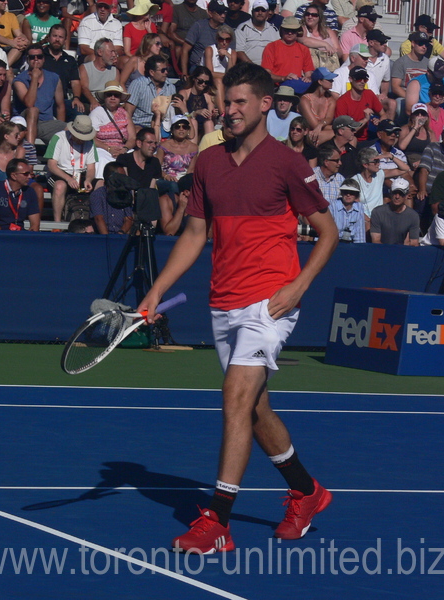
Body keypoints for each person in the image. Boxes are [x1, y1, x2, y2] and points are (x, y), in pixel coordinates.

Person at [137, 62, 337, 555]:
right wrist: (157, 289)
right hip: (223, 301)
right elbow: (195, 233)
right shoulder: (208, 163)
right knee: (252, 409)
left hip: (271, 300)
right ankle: (307, 492)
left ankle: (217, 521)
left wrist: (298, 287)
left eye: (241, 102)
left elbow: (328, 232)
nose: (230, 110)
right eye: (227, 102)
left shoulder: (288, 163)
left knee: (234, 396)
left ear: (266, 105)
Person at [44, 114, 96, 221]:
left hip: (81, 173)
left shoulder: (90, 143)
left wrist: (88, 179)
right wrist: (68, 179)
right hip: (60, 172)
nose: (82, 140)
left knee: (100, 184)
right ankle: (57, 224)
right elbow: (51, 165)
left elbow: (91, 168)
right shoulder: (58, 138)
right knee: (60, 185)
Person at [12, 45, 66, 144]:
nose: (36, 59)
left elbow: (60, 106)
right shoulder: (19, 80)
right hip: (24, 122)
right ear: (27, 59)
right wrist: (34, 78)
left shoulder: (54, 78)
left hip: (46, 123)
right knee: (33, 110)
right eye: (32, 57)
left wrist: (60, 126)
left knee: (73, 129)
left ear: (44, 58)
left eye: (39, 56)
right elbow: (29, 103)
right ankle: (30, 151)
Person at [89, 80, 135, 174]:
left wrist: (125, 149)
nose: (112, 98)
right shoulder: (96, 113)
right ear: (105, 97)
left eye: (116, 95)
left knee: (135, 158)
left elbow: (132, 137)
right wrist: (108, 148)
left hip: (123, 148)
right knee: (101, 158)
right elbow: (91, 138)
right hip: (103, 148)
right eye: (109, 95)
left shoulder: (125, 113)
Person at [0, 157, 41, 230]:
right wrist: (3, 238)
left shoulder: (30, 192)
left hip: (19, 235)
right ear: (14, 176)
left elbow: (35, 224)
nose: (29, 177)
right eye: (26, 174)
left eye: (30, 173)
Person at [41, 24, 84, 120]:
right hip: (42, 99)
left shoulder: (70, 60)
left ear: (65, 40)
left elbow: (75, 82)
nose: (57, 39)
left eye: (60, 37)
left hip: (62, 100)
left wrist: (76, 98)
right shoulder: (40, 56)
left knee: (79, 112)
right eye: (54, 36)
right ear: (49, 37)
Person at [260, 16, 313, 92]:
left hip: (296, 88)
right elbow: (266, 74)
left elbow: (308, 72)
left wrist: (308, 78)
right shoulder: (271, 47)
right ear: (282, 30)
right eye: (287, 30)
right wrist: (284, 78)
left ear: (298, 31)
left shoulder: (304, 49)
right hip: (276, 88)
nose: (290, 33)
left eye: (293, 30)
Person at [397, 14, 444, 81]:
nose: (431, 33)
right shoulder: (406, 45)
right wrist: (428, 51)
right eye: (430, 30)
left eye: (432, 30)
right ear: (421, 28)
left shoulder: (432, 41)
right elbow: (411, 67)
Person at [125, 54, 175, 131]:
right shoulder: (138, 84)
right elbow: (128, 112)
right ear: (152, 72)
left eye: (167, 69)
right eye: (162, 70)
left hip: (163, 126)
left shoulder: (170, 87)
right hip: (141, 125)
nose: (166, 72)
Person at [333, 66, 381, 142]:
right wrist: (365, 120)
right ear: (350, 79)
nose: (362, 81)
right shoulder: (342, 102)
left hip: (370, 137)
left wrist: (379, 121)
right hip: (350, 140)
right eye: (359, 79)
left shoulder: (369, 94)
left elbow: (383, 114)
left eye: (365, 79)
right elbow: (344, 131)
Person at [182, 0, 228, 79]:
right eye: (220, 13)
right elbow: (185, 50)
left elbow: (232, 53)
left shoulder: (227, 30)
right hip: (199, 67)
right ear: (210, 13)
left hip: (220, 66)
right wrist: (184, 73)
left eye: (224, 12)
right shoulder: (198, 26)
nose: (223, 15)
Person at [370, 178, 419, 245]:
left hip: (402, 251)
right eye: (395, 193)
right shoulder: (377, 212)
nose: (397, 196)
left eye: (401, 194)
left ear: (407, 195)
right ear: (390, 193)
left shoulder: (413, 216)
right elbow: (376, 241)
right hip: (381, 251)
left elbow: (414, 243)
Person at [89, 161, 133, 234]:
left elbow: (128, 219)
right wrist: (108, 239)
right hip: (103, 236)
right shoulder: (97, 194)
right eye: (122, 176)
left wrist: (120, 234)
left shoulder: (126, 193)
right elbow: (98, 219)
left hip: (121, 234)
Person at [298, 2, 341, 72]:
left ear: (319, 17)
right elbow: (304, 40)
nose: (310, 17)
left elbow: (339, 51)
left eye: (314, 15)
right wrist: (325, 45)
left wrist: (332, 52)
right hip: (310, 70)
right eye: (307, 14)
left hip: (328, 68)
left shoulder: (329, 31)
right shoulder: (302, 29)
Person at [299, 66, 337, 145]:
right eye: (329, 80)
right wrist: (321, 125)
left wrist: (321, 124)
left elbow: (329, 118)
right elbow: (313, 125)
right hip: (307, 133)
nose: (332, 81)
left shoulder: (330, 99)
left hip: (321, 132)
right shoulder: (305, 100)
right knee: (340, 133)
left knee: (343, 133)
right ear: (320, 81)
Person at [235, 0, 279, 66]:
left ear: (267, 13)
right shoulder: (242, 28)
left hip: (270, 68)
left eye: (263, 10)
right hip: (249, 68)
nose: (260, 13)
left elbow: (279, 51)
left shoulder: (273, 30)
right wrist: (254, 67)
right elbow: (239, 51)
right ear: (252, 12)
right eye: (257, 10)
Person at [179, 65, 218, 139]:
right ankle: (193, 150)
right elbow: (182, 117)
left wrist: (214, 116)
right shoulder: (184, 93)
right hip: (187, 128)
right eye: (200, 81)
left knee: (209, 123)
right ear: (194, 79)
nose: (203, 84)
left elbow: (211, 120)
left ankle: (209, 149)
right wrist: (195, 113)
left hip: (203, 130)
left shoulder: (208, 96)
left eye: (206, 82)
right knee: (193, 121)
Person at [79, 37, 118, 111]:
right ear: (100, 52)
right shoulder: (85, 68)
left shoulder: (115, 71)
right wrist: (93, 101)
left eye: (114, 52)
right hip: (88, 103)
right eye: (111, 52)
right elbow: (84, 88)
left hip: (107, 104)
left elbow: (115, 90)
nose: (114, 55)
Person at [329, 177, 366, 243]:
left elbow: (360, 236)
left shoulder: (360, 207)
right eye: (345, 192)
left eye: (351, 192)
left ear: (356, 194)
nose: (348, 194)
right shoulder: (332, 206)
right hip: (332, 243)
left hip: (349, 244)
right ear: (341, 193)